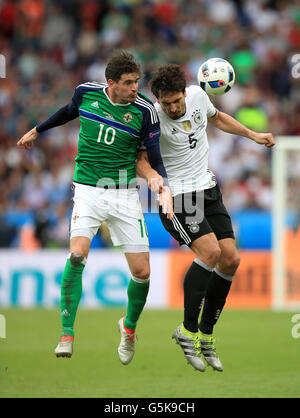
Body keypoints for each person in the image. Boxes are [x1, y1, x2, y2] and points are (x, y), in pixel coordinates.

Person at [17, 51, 173, 365]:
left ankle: (128, 328)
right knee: (76, 254)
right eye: (128, 83)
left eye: (137, 82)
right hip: (88, 190)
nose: (134, 88)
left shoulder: (145, 111)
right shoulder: (86, 93)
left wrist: (160, 181)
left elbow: (150, 158)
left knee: (142, 273)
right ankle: (66, 333)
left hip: (124, 193)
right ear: (111, 83)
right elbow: (68, 111)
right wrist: (39, 129)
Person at [141, 64, 274, 372]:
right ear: (158, 99)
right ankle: (186, 330)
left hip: (208, 189)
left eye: (177, 101)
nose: (173, 107)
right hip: (176, 196)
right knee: (211, 252)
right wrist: (153, 180)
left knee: (230, 260)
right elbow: (140, 159)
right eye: (166, 103)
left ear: (185, 92)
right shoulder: (151, 117)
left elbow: (218, 119)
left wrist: (252, 135)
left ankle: (206, 335)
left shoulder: (200, 96)